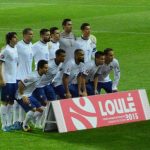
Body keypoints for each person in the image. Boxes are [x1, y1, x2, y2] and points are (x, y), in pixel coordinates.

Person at [17, 60, 48, 131]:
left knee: (42, 110)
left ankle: (35, 123)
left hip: (29, 95)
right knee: (33, 109)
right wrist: (23, 96)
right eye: (45, 68)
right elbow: (20, 83)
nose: (47, 70)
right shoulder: (32, 76)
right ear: (40, 68)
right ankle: (24, 124)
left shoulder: (40, 75)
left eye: (47, 68)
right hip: (21, 96)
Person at [13, 28, 33, 128]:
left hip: (28, 78)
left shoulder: (31, 45)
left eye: (32, 34)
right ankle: (15, 121)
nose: (31, 36)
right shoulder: (18, 45)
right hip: (19, 77)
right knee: (18, 100)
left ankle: (21, 121)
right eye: (30, 34)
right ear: (24, 35)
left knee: (24, 99)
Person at [0, 32, 18, 131]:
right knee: (4, 102)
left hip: (14, 80)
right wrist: (1, 79)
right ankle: (4, 125)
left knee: (11, 102)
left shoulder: (15, 49)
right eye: (15, 37)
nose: (17, 39)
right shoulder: (5, 50)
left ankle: (10, 123)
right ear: (10, 39)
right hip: (6, 80)